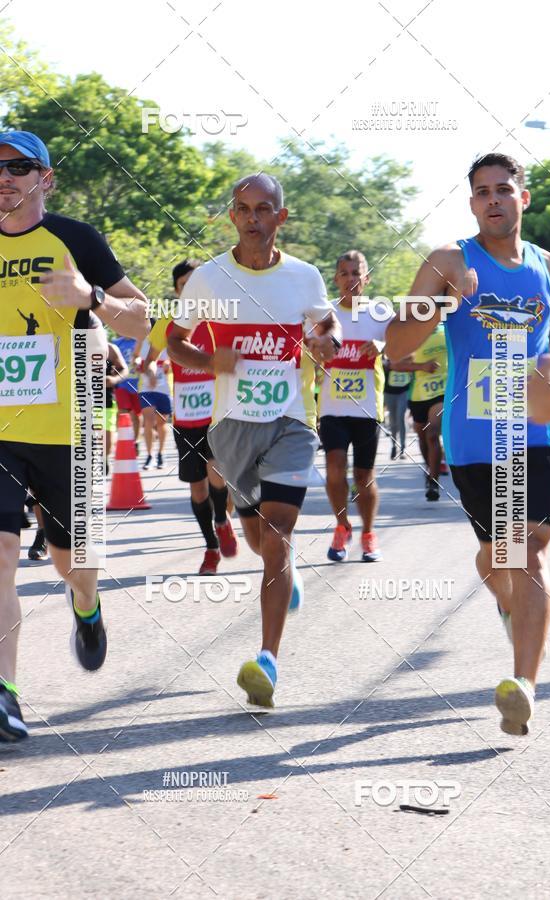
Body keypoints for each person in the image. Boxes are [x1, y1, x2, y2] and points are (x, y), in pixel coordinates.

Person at [385, 152, 550, 736]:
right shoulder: (450, 260)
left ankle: (523, 685)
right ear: (472, 202)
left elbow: (537, 341)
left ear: (523, 198)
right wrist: (442, 304)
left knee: (531, 549)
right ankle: (508, 607)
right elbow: (394, 344)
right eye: (482, 192)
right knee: (498, 556)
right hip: (476, 435)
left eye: (504, 189)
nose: (494, 199)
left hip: (535, 425)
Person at [168, 173, 340, 709]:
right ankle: (283, 579)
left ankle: (267, 660)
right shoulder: (209, 279)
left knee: (279, 532)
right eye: (243, 209)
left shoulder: (305, 277)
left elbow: (326, 325)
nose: (253, 218)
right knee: (260, 538)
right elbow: (175, 342)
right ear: (232, 216)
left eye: (263, 209)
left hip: (290, 422)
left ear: (280, 217)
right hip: (231, 428)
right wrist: (208, 359)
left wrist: (325, 343)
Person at [0, 130, 148, 741]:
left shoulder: (76, 239)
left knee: (71, 562)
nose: (3, 176)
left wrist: (91, 298)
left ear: (46, 178)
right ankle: (5, 694)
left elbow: (142, 316)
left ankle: (85, 607)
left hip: (73, 424)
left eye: (17, 166)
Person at [147, 260, 238, 574]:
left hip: (215, 417)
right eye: (183, 285)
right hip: (184, 418)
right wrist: (145, 365)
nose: (189, 290)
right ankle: (211, 547)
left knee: (217, 473)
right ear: (176, 290)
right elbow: (149, 354)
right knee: (197, 489)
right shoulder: (168, 323)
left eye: (194, 284)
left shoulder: (217, 322)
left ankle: (222, 519)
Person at [319, 250, 391, 562]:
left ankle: (368, 533)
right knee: (334, 468)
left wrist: (382, 346)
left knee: (364, 476)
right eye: (345, 273)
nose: (351, 279)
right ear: (335, 279)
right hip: (332, 407)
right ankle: (342, 526)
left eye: (356, 273)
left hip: (366, 408)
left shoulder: (380, 313)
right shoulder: (325, 314)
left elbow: (400, 344)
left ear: (367, 278)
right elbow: (310, 349)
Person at [404, 324, 448, 500]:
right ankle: (431, 469)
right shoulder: (413, 334)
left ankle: (433, 482)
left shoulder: (447, 330)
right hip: (419, 394)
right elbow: (395, 364)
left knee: (432, 434)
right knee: (422, 436)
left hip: (443, 392)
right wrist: (421, 366)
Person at [140, 336, 172, 470]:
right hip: (146, 389)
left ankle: (161, 454)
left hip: (163, 389)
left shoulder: (169, 342)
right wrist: (138, 363)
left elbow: (176, 361)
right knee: (148, 421)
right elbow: (137, 358)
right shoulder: (143, 341)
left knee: (161, 423)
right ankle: (150, 456)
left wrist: (168, 365)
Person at [105, 340, 129, 475]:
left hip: (104, 399)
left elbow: (123, 368)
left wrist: (114, 380)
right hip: (78, 401)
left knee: (107, 439)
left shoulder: (109, 347)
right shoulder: (72, 344)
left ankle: (104, 457)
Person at [383, 356, 412, 460]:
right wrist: (388, 364)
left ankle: (403, 448)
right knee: (393, 421)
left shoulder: (408, 351)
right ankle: (394, 446)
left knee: (401, 417)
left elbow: (412, 363)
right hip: (389, 392)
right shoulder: (389, 351)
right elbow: (383, 365)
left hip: (403, 391)